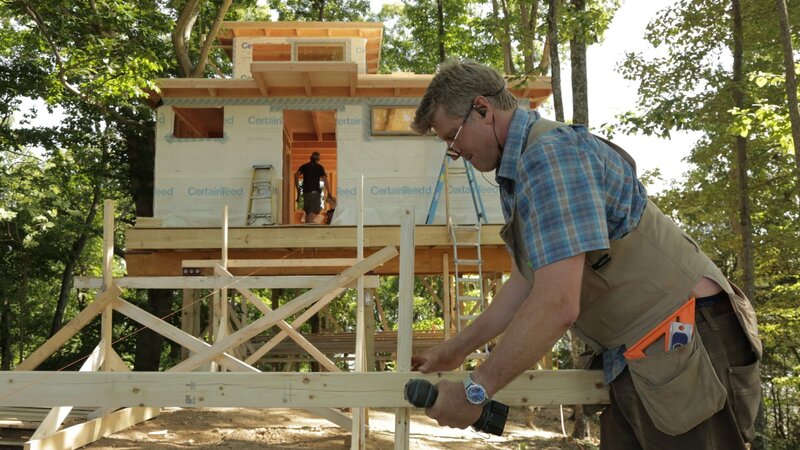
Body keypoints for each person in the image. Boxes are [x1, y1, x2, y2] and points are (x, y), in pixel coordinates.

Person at [409, 59, 762, 450]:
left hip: (683, 337)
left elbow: (557, 303)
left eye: (453, 137)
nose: (454, 152)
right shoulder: (521, 170)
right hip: (641, 350)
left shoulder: (550, 157)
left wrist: (476, 391)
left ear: (482, 109)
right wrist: (454, 351)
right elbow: (525, 285)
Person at [294, 152, 334, 224]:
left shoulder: (304, 166)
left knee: (308, 212)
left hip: (306, 193)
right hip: (315, 194)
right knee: (312, 212)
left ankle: (307, 227)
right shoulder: (319, 168)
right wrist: (329, 193)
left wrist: (298, 190)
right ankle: (310, 228)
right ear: (318, 159)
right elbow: (325, 179)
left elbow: (296, 175)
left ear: (311, 158)